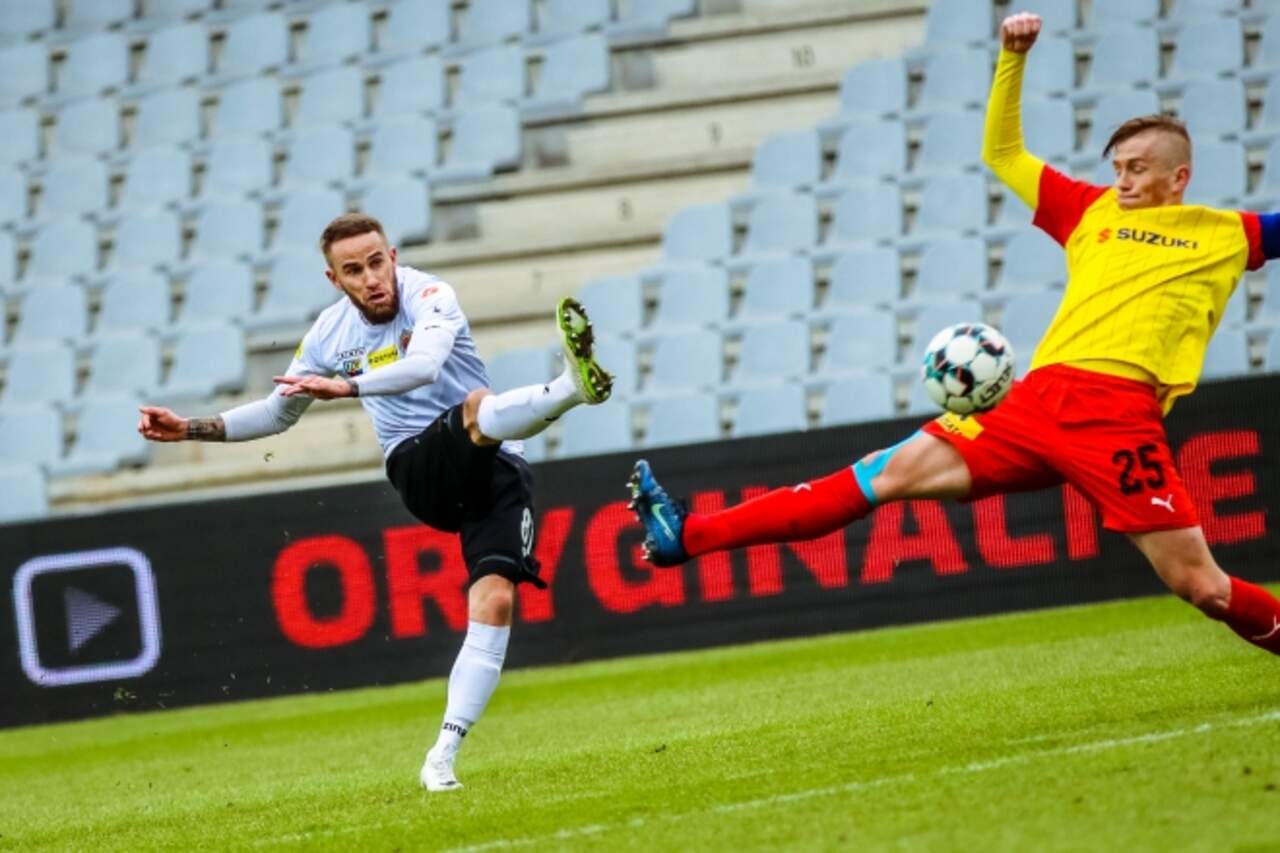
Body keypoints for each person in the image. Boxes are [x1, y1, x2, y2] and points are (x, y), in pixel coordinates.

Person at [626, 12, 1280, 657]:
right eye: (1118, 168)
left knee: (1201, 586)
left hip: (1116, 417)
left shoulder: (1225, 234)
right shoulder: (1091, 210)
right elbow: (1002, 153)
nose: (1123, 181)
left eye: (1137, 168)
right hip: (1035, 400)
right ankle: (689, 533)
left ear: (1178, 177)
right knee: (879, 474)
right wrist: (1012, 60)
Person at [138, 213, 614, 791]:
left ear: (392, 257)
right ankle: (568, 389)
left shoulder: (432, 295)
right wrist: (190, 428)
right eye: (353, 271)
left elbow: (425, 366)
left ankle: (442, 756)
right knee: (476, 408)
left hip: (497, 466)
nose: (370, 279)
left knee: (494, 601)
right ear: (334, 279)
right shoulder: (328, 335)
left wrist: (349, 386)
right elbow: (277, 414)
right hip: (419, 466)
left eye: (375, 263)